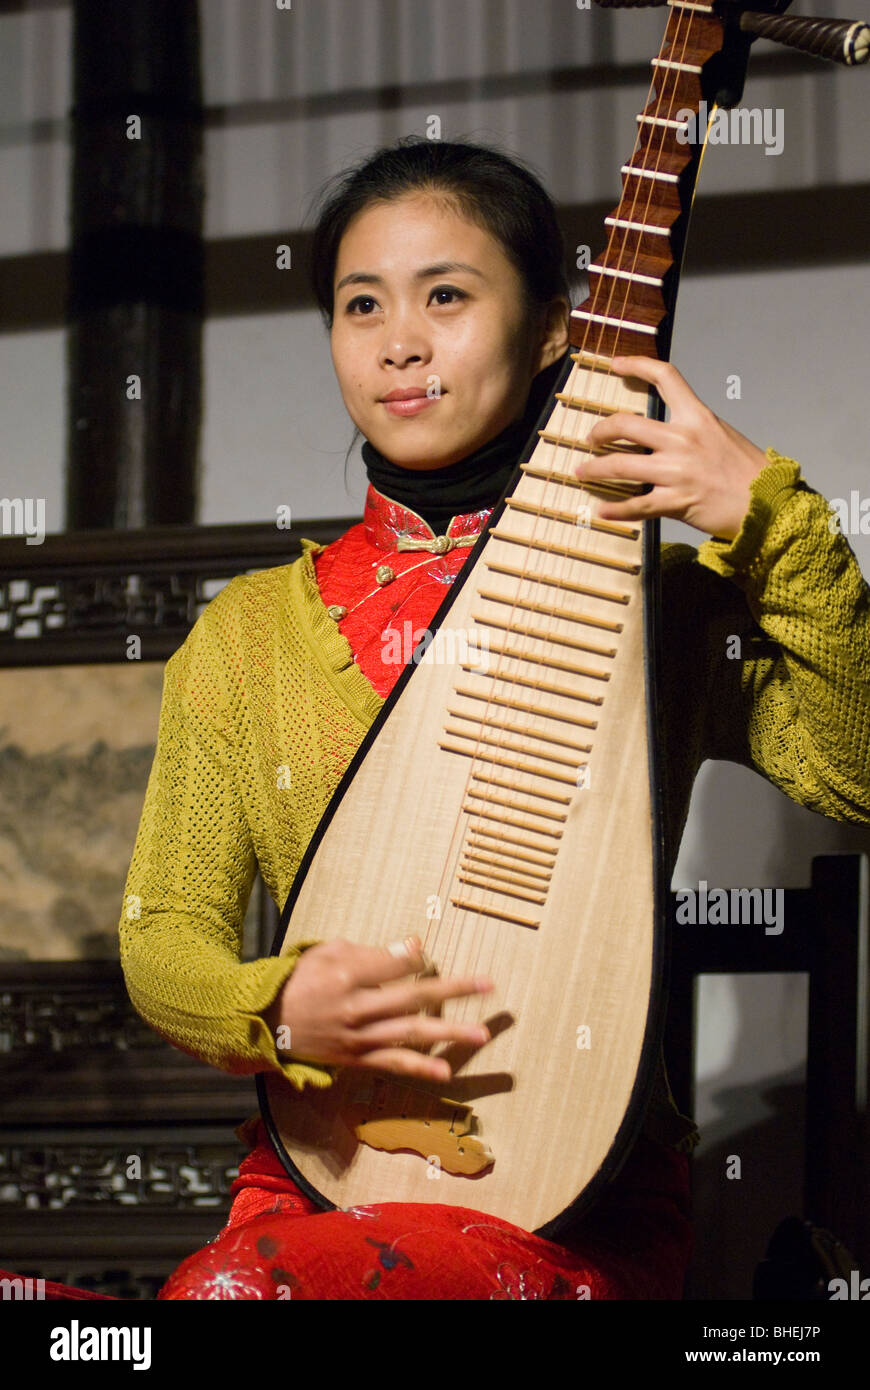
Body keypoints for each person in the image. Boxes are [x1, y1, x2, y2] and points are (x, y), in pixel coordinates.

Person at [117, 137, 870, 1300]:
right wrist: (271, 1002)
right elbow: (162, 934)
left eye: (448, 296)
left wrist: (768, 519)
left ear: (556, 330)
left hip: (579, 1195)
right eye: (359, 304)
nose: (399, 341)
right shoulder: (249, 637)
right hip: (315, 1182)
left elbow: (856, 772)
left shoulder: (654, 607)